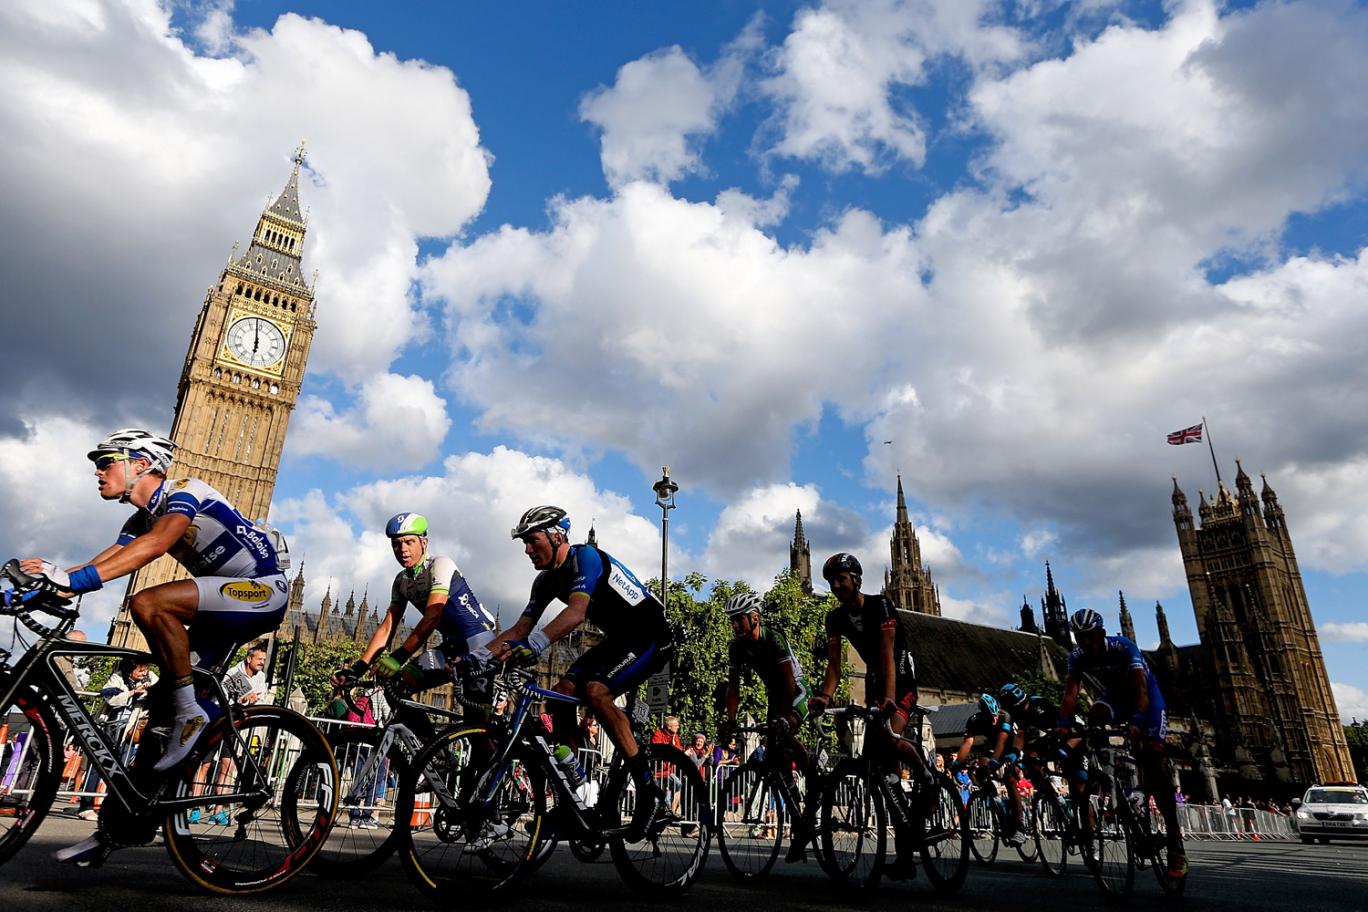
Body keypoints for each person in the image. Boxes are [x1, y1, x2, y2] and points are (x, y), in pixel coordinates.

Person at [22, 429, 287, 865]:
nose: (97, 470)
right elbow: (98, 566)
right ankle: (119, 829)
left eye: (106, 461)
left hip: (260, 591)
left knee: (148, 601)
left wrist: (72, 580)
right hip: (218, 604)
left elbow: (158, 545)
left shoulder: (184, 491)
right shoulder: (138, 519)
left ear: (140, 464)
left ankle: (192, 712)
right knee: (158, 720)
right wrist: (44, 586)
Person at [492, 505, 674, 841]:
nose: (527, 550)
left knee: (595, 692)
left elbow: (576, 614)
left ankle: (649, 796)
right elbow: (519, 628)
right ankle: (574, 798)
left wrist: (536, 644)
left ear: (557, 536)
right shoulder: (545, 581)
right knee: (559, 697)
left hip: (651, 635)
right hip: (619, 641)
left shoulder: (585, 558)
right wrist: (474, 658)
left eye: (532, 541)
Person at [807, 553, 928, 881]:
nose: (835, 586)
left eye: (841, 579)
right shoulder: (834, 618)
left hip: (900, 676)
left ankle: (925, 772)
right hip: (877, 678)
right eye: (831, 581)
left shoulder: (882, 606)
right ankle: (905, 857)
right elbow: (834, 665)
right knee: (883, 773)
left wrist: (889, 698)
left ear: (856, 580)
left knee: (889, 735)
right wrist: (825, 696)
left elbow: (888, 654)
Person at [1054, 608, 1187, 880]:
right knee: (1094, 716)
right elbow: (1070, 693)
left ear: (1101, 633)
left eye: (1090, 638)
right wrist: (1064, 723)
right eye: (1081, 639)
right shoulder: (1077, 657)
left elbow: (1141, 690)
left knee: (1152, 757)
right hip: (1115, 698)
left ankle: (1175, 845)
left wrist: (1137, 722)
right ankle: (1110, 775)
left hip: (1147, 701)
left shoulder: (1123, 648)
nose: (1086, 644)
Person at [333, 512, 495, 728]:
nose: (403, 550)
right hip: (452, 647)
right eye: (397, 544)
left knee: (476, 726)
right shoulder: (401, 582)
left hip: (478, 644)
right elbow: (387, 627)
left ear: (424, 542)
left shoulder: (440, 565)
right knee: (395, 688)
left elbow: (433, 615)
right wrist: (357, 668)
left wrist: (398, 657)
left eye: (409, 542)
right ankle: (434, 758)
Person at [720, 590, 816, 862]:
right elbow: (734, 688)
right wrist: (730, 720)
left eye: (739, 619)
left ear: (754, 617)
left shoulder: (774, 637)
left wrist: (784, 718)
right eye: (731, 621)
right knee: (775, 758)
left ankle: (810, 773)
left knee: (784, 733)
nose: (735, 624)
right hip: (775, 696)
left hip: (797, 692)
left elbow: (787, 682)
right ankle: (799, 823)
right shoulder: (736, 647)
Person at [76, 659, 156, 819]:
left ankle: (112, 808)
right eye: (140, 670)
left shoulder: (151, 678)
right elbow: (110, 697)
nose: (144, 673)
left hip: (129, 731)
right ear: (130, 670)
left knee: (123, 770)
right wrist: (133, 692)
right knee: (97, 767)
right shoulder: (117, 678)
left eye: (145, 669)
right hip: (109, 727)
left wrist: (150, 694)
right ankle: (86, 806)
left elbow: (161, 693)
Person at [952, 693, 1027, 846]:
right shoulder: (974, 720)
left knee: (1010, 778)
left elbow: (1002, 740)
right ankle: (994, 797)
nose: (993, 721)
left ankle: (1020, 824)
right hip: (992, 747)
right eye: (990, 718)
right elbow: (967, 744)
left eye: (995, 717)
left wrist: (994, 763)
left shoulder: (1004, 716)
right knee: (980, 768)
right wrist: (957, 763)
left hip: (1011, 746)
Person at [224, 642, 272, 707]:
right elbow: (225, 699)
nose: (262, 662)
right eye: (260, 659)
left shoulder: (261, 676)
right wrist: (243, 700)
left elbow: (260, 700)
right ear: (249, 659)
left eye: (264, 660)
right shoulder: (233, 673)